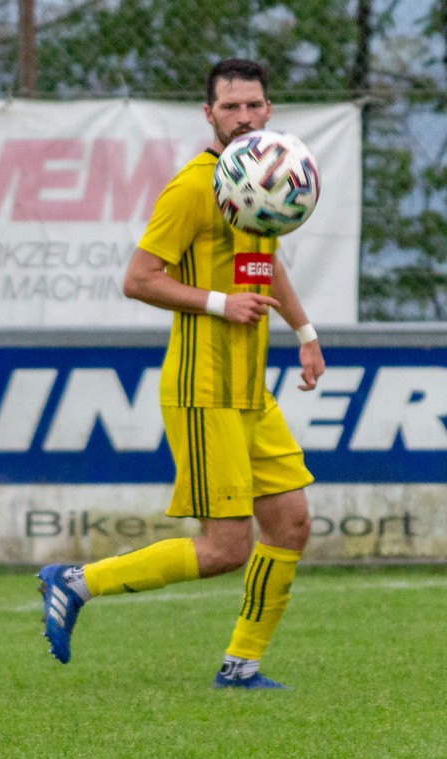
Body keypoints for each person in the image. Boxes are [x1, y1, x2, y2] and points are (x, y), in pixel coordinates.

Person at [38, 58, 326, 689]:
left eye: (253, 105)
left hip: (250, 391)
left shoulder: (264, 178)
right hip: (204, 391)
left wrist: (304, 333)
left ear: (269, 109)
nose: (244, 117)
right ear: (209, 114)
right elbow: (138, 279)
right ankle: (76, 582)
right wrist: (221, 303)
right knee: (225, 549)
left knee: (292, 524)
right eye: (231, 107)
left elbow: (266, 262)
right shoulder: (195, 187)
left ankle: (241, 666)